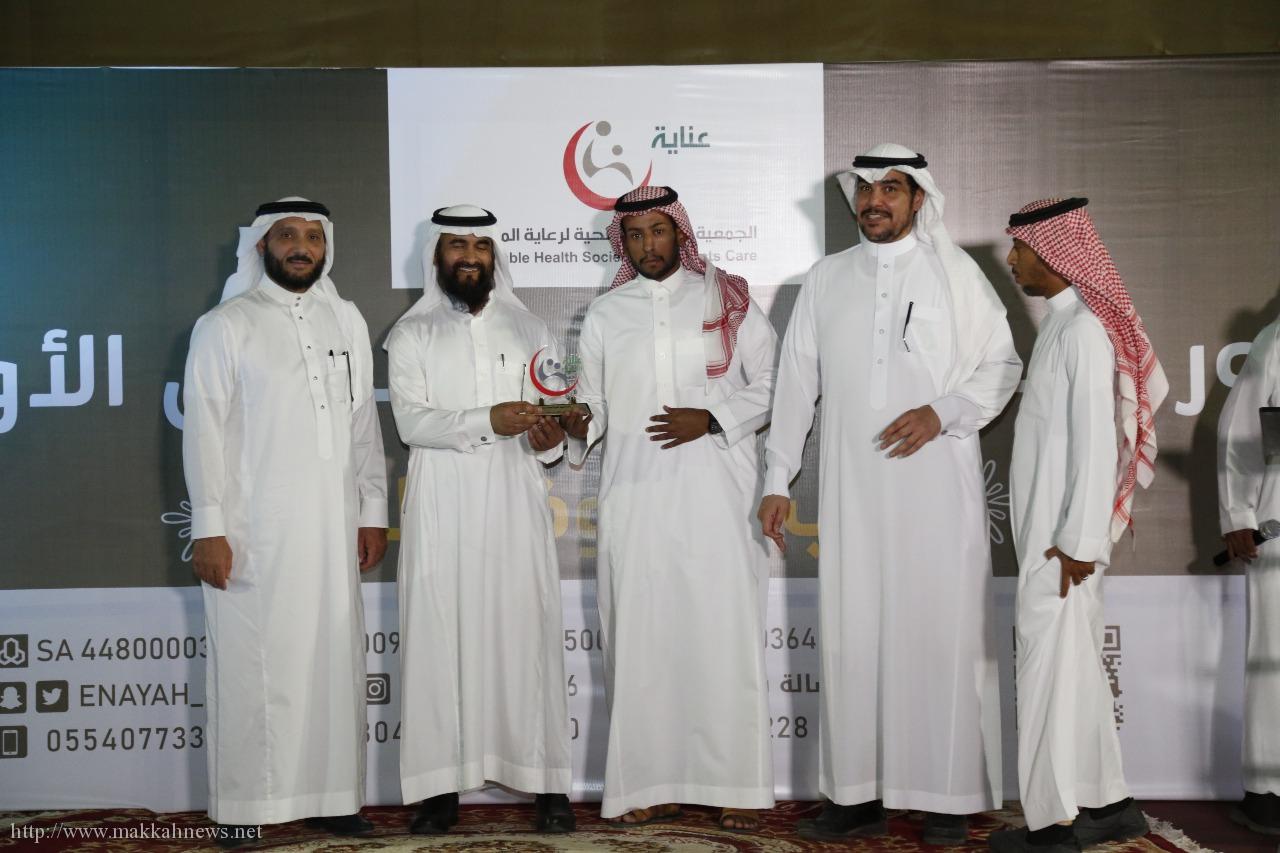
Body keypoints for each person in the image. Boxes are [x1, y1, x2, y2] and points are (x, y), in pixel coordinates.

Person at [758, 144, 1021, 844]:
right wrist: (777, 478)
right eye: (867, 189)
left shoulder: (955, 274)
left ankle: (947, 797)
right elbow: (795, 385)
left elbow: (1003, 365)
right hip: (853, 494)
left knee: (939, 635)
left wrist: (944, 410)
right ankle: (855, 794)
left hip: (936, 493)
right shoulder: (826, 278)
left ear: (918, 198)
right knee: (852, 635)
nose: (875, 201)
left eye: (892, 189)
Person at [564, 186, 777, 831]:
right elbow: (595, 405)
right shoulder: (606, 313)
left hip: (719, 498)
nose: (648, 244)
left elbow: (776, 384)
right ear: (622, 243)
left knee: (722, 635)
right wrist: (576, 422)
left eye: (658, 231)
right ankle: (647, 784)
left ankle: (736, 787)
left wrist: (712, 417)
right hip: (635, 499)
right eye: (635, 235)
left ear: (679, 233)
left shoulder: (726, 297)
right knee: (643, 640)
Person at [183, 198, 388, 847]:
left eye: (313, 237)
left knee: (334, 661)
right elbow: (203, 431)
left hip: (332, 527)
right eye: (287, 236)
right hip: (254, 533)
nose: (301, 247)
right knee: (254, 666)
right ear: (262, 246)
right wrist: (209, 527)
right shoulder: (225, 324)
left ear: (327, 246)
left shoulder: (346, 319)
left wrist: (372, 510)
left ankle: (333, 796)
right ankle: (243, 803)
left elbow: (362, 423)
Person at [386, 205, 575, 835]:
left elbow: (552, 421)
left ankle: (547, 783)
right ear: (435, 256)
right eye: (457, 245)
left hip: (516, 500)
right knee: (438, 637)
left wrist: (550, 438)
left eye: (481, 246)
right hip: (442, 503)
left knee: (526, 634)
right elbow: (411, 422)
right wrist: (486, 420)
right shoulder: (409, 334)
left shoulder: (530, 327)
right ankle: (439, 789)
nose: (470, 256)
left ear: (495, 256)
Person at [989, 197, 1165, 851]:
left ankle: (1052, 826)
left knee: (1046, 677)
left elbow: (1097, 445)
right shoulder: (1063, 326)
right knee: (1078, 672)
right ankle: (1110, 805)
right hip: (1058, 540)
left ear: (1056, 254)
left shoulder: (1085, 333)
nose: (1012, 260)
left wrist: (1080, 544)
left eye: (1020, 248)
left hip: (1063, 546)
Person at [1218, 281, 1280, 837]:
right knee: (1274, 658)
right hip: (1278, 522)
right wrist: (1238, 513)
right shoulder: (1276, 340)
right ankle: (1268, 795)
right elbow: (1240, 430)